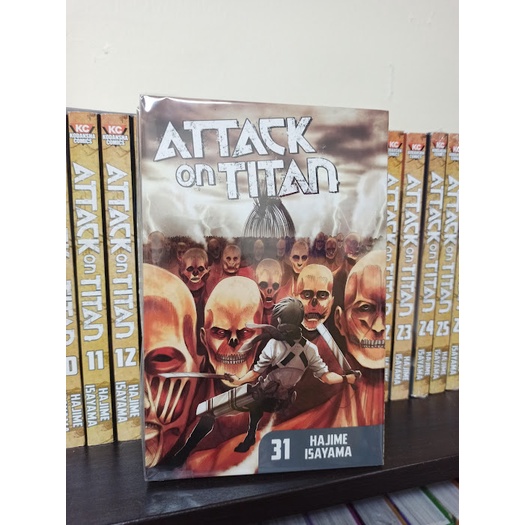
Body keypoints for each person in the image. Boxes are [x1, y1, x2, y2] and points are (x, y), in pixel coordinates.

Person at [228, 297, 360, 453]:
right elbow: (327, 378)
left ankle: (252, 436)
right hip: (279, 398)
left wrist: (238, 381)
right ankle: (252, 435)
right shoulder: (308, 349)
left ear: (280, 320)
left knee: (253, 401)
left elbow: (254, 374)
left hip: (272, 398)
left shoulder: (279, 345)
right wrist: (346, 378)